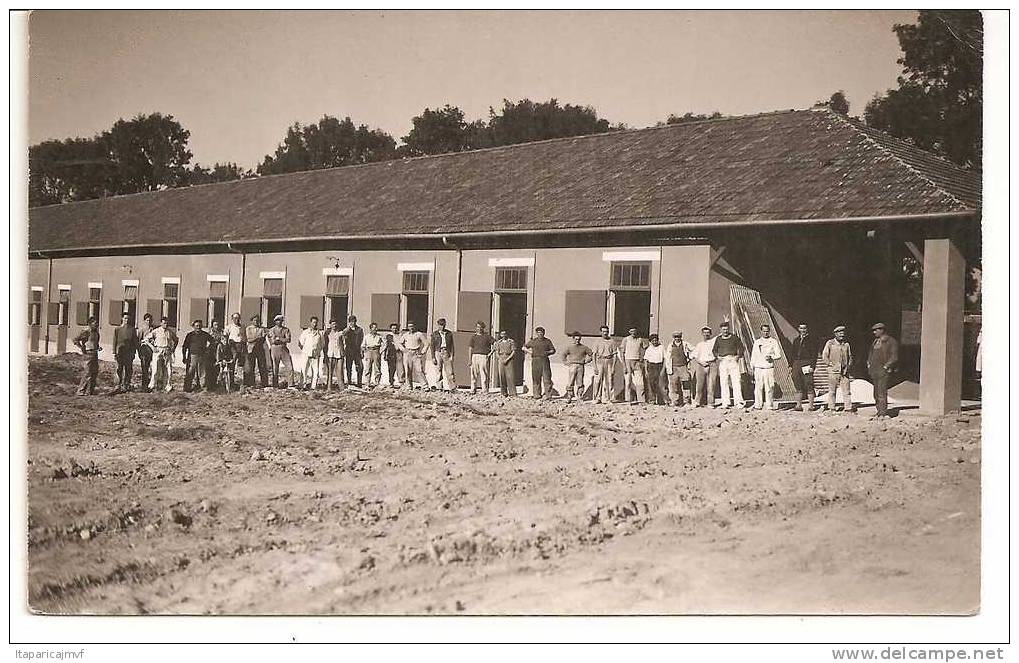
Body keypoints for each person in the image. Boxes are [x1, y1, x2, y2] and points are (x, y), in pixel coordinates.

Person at [867, 322, 899, 418]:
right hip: (874, 370)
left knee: (881, 392)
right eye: (873, 330)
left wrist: (886, 366)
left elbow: (894, 356)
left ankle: (882, 413)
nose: (874, 332)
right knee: (876, 392)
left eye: (876, 330)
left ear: (882, 330)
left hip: (883, 370)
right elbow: (871, 354)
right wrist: (868, 363)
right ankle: (878, 411)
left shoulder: (891, 341)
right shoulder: (875, 341)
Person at [712, 321, 745, 409]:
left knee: (736, 381)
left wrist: (738, 356)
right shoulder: (718, 339)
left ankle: (738, 402)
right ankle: (726, 402)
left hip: (732, 360)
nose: (725, 331)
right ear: (721, 330)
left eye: (726, 329)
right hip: (723, 361)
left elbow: (741, 347)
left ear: (728, 329)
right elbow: (714, 350)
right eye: (723, 329)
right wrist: (718, 357)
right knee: (724, 381)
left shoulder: (734, 338)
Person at [750, 323, 783, 410]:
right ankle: (758, 404)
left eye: (767, 331)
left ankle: (769, 405)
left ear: (769, 331)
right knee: (758, 387)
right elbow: (753, 355)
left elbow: (778, 355)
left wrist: (772, 357)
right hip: (758, 368)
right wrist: (752, 366)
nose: (765, 333)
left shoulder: (773, 341)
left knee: (769, 387)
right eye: (764, 331)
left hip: (768, 367)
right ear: (761, 331)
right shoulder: (757, 342)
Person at [821, 325, 854, 413]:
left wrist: (848, 366)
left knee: (846, 391)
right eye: (839, 333)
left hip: (844, 371)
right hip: (833, 371)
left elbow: (850, 356)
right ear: (835, 334)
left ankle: (848, 407)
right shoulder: (830, 343)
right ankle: (831, 407)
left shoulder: (846, 344)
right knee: (832, 391)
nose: (841, 335)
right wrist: (830, 364)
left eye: (843, 334)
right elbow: (824, 355)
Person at [788, 323, 818, 411]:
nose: (803, 330)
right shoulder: (796, 340)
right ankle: (798, 405)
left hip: (807, 362)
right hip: (796, 363)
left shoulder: (812, 340)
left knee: (809, 383)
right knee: (797, 383)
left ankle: (811, 406)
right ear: (798, 329)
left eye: (804, 328)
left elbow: (814, 354)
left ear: (807, 329)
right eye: (801, 328)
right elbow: (792, 354)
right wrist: (790, 365)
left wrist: (812, 366)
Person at [182, 319, 215, 393]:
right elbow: (184, 346)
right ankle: (187, 388)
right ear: (193, 327)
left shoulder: (205, 334)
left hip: (202, 355)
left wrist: (208, 349)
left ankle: (203, 387)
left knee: (202, 372)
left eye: (200, 326)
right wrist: (184, 357)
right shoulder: (190, 335)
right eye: (196, 326)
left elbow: (212, 341)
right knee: (190, 372)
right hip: (192, 356)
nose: (198, 327)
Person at [146, 317, 178, 392]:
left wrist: (173, 349)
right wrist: (152, 347)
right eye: (164, 323)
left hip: (167, 351)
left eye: (166, 323)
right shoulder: (156, 331)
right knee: (155, 369)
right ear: (161, 323)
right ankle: (152, 386)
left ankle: (167, 386)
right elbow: (146, 339)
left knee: (168, 369)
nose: (165, 324)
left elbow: (176, 340)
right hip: (158, 350)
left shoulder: (170, 332)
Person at [618, 327, 649, 406]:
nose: (633, 333)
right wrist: (624, 365)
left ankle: (641, 400)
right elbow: (622, 352)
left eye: (634, 331)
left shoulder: (640, 339)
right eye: (631, 331)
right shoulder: (626, 339)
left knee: (640, 381)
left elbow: (646, 347)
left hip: (637, 362)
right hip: (628, 361)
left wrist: (642, 357)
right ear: (629, 332)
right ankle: (628, 399)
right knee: (628, 381)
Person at [524, 327, 556, 400]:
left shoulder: (547, 341)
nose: (540, 333)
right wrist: (530, 352)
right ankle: (537, 395)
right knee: (536, 378)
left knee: (547, 378)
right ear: (536, 333)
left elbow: (553, 350)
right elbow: (524, 347)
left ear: (544, 333)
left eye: (541, 332)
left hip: (544, 360)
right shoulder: (533, 341)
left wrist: (547, 352)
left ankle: (548, 395)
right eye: (538, 332)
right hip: (535, 360)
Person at [560, 331, 593, 402]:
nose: (577, 341)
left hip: (581, 366)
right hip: (572, 366)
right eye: (576, 339)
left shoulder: (584, 347)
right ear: (573, 339)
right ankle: (569, 396)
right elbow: (563, 355)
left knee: (580, 382)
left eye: (579, 339)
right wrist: (565, 362)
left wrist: (587, 360)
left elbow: (591, 354)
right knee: (571, 381)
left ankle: (580, 396)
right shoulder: (570, 347)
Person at [664, 331, 693, 406]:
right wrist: (668, 368)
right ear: (673, 337)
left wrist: (690, 357)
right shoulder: (670, 345)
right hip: (674, 367)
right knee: (673, 385)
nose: (677, 338)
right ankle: (675, 401)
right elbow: (667, 357)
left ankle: (686, 401)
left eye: (679, 336)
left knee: (686, 384)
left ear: (681, 337)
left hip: (683, 367)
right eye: (676, 337)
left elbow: (694, 350)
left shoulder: (685, 344)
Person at [691, 326, 718, 407]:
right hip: (701, 365)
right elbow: (694, 356)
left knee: (711, 385)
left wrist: (727, 322)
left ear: (710, 334)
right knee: (699, 385)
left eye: (708, 333)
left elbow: (722, 334)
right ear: (702, 334)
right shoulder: (699, 344)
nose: (706, 334)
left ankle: (711, 403)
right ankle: (697, 402)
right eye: (704, 333)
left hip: (712, 364)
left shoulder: (713, 341)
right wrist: (701, 363)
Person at [74, 317, 101, 395]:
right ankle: (80, 391)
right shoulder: (86, 331)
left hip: (95, 353)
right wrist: (81, 347)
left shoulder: (96, 332)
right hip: (88, 354)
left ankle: (90, 391)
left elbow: (95, 342)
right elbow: (75, 339)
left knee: (94, 373)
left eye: (97, 323)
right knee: (87, 373)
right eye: (95, 323)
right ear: (90, 324)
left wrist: (98, 347)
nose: (97, 325)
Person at [591, 325, 617, 404]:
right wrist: (594, 366)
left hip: (609, 361)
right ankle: (596, 398)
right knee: (598, 380)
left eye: (607, 332)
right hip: (600, 361)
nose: (605, 333)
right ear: (600, 332)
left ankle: (608, 398)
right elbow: (594, 355)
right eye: (603, 332)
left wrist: (613, 367)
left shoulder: (612, 341)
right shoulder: (597, 341)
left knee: (609, 380)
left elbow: (615, 354)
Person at [399, 321, 429, 389]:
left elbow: (426, 343)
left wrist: (422, 352)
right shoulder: (405, 335)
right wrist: (404, 350)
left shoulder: (419, 334)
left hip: (416, 353)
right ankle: (409, 386)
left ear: (415, 326)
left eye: (412, 326)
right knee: (407, 370)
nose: (411, 328)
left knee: (419, 370)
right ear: (407, 327)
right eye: (409, 326)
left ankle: (425, 386)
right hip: (407, 353)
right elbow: (400, 343)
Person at [467, 321, 495, 394]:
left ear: (483, 328)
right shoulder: (473, 337)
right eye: (477, 327)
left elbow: (495, 343)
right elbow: (470, 348)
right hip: (475, 356)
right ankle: (473, 389)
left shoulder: (487, 336)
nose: (478, 329)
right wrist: (469, 359)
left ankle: (485, 390)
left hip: (483, 356)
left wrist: (490, 353)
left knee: (484, 374)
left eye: (480, 327)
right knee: (473, 374)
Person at [113, 312, 138, 392]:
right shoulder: (117, 329)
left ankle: (126, 384)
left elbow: (135, 342)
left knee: (128, 369)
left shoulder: (132, 329)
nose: (126, 320)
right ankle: (118, 384)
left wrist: (134, 352)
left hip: (129, 352)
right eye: (125, 318)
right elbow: (115, 341)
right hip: (120, 352)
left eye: (128, 318)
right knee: (119, 369)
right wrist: (114, 352)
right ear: (122, 319)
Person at [266, 314, 293, 388]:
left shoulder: (286, 330)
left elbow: (288, 339)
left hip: (283, 349)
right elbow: (272, 341)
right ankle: (275, 384)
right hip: (274, 349)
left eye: (281, 320)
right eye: (278, 320)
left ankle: (290, 384)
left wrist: (280, 339)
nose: (279, 322)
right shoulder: (271, 330)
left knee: (289, 366)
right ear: (275, 321)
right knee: (275, 367)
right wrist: (280, 339)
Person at [298, 316, 325, 391]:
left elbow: (322, 344)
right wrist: (305, 350)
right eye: (313, 322)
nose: (314, 324)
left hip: (315, 355)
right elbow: (300, 343)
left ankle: (313, 386)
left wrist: (317, 351)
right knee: (304, 370)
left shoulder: (320, 333)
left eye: (316, 323)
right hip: (306, 354)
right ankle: (302, 385)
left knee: (315, 371)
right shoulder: (306, 332)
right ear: (310, 323)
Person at [431, 318, 457, 392]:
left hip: (446, 352)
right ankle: (439, 387)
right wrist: (433, 357)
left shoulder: (449, 334)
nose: (441, 327)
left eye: (443, 325)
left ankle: (452, 387)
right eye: (440, 325)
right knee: (438, 370)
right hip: (438, 352)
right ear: (438, 325)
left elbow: (452, 345)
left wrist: (452, 355)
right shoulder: (434, 334)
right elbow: (432, 346)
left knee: (449, 370)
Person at [244, 315, 269, 388]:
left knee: (262, 366)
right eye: (255, 320)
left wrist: (259, 338)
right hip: (251, 349)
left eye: (257, 320)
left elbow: (263, 338)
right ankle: (251, 383)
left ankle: (264, 383)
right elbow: (249, 339)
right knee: (251, 366)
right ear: (252, 321)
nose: (256, 322)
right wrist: (257, 338)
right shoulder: (248, 328)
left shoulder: (261, 329)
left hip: (260, 349)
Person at [643, 334, 667, 405]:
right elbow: (645, 360)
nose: (654, 342)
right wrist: (646, 371)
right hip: (651, 367)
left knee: (661, 384)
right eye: (652, 341)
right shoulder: (649, 349)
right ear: (650, 341)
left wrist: (663, 369)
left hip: (659, 366)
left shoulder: (661, 347)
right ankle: (652, 400)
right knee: (651, 384)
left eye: (655, 340)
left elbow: (665, 358)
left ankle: (661, 401)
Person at [341, 315, 365, 388]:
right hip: (349, 350)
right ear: (349, 322)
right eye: (351, 322)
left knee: (360, 367)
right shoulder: (346, 330)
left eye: (354, 321)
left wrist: (361, 351)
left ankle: (359, 382)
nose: (352, 323)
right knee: (349, 367)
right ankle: (349, 382)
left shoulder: (360, 330)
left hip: (357, 351)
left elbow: (362, 340)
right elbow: (343, 340)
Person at [225, 312, 246, 392]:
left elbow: (244, 337)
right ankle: (231, 383)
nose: (236, 319)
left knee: (241, 365)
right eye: (235, 318)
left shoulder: (243, 327)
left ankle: (241, 384)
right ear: (232, 319)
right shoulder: (229, 327)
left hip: (241, 346)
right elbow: (225, 337)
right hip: (232, 346)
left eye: (238, 318)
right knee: (232, 365)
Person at [494, 329, 518, 397]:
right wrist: (500, 359)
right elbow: (496, 352)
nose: (503, 335)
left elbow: (513, 351)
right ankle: (503, 393)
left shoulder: (511, 341)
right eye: (502, 334)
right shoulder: (498, 342)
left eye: (505, 334)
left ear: (507, 334)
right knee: (502, 376)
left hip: (509, 358)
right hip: (501, 358)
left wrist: (507, 359)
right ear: (500, 335)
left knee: (510, 376)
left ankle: (512, 393)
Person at [324, 319, 346, 391]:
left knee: (340, 372)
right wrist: (325, 355)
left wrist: (343, 351)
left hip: (339, 354)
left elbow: (344, 343)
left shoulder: (340, 333)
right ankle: (329, 388)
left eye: (335, 324)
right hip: (330, 353)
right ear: (330, 325)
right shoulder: (327, 333)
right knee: (330, 372)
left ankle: (341, 388)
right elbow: (325, 344)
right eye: (332, 324)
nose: (334, 325)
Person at [136, 313, 155, 393]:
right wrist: (139, 352)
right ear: (144, 320)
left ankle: (150, 384)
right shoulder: (141, 329)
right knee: (144, 368)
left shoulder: (153, 329)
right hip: (143, 349)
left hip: (151, 350)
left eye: (150, 320)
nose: (148, 322)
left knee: (151, 368)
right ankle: (144, 385)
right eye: (147, 320)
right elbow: (138, 340)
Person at [362, 322, 384, 389]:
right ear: (370, 329)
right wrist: (365, 351)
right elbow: (363, 345)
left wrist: (381, 351)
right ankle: (367, 383)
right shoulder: (366, 336)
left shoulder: (379, 336)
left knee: (377, 368)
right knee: (368, 368)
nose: (375, 329)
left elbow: (384, 344)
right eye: (374, 328)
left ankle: (377, 383)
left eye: (376, 328)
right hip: (369, 351)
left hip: (376, 351)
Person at [382, 323, 404, 388]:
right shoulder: (388, 336)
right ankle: (391, 382)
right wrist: (384, 354)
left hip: (399, 353)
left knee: (400, 368)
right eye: (393, 328)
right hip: (391, 354)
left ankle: (401, 382)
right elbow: (385, 345)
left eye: (395, 328)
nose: (394, 329)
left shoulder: (400, 335)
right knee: (391, 369)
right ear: (390, 329)